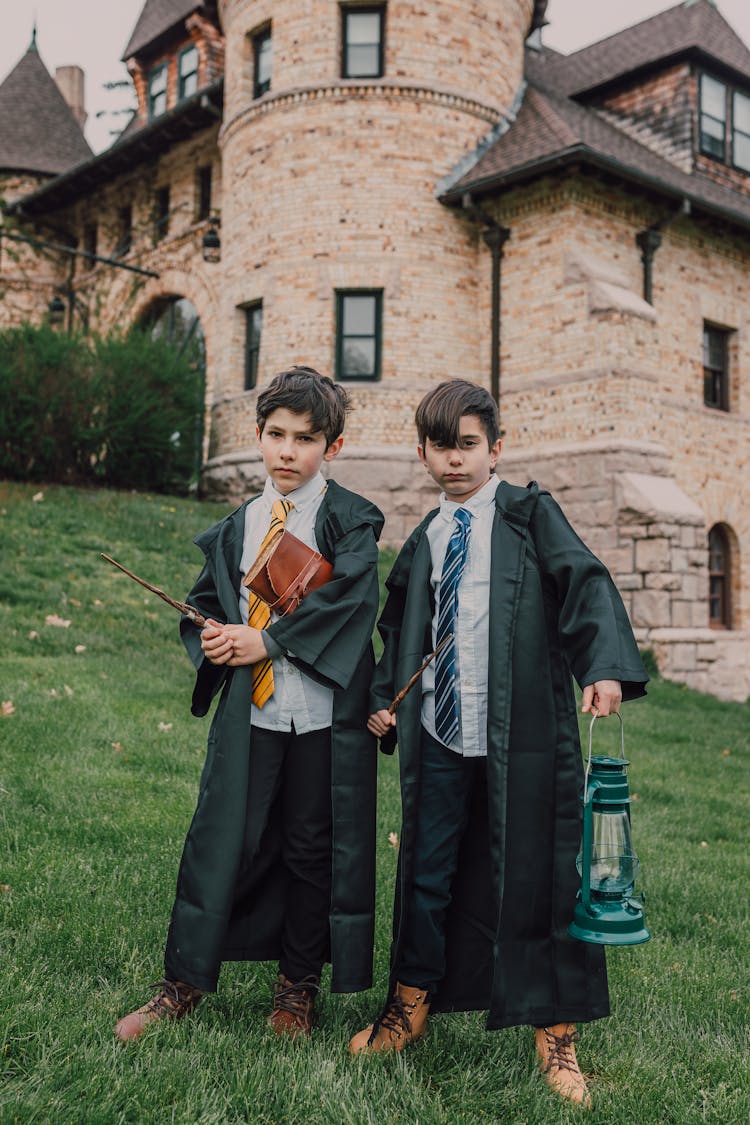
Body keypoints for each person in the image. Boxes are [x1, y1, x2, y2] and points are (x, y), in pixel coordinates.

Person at [349, 380, 648, 1107]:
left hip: (526, 732)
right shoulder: (426, 537)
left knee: (546, 875)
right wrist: (385, 698)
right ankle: (410, 1004)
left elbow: (584, 583)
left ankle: (556, 1033)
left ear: (496, 448)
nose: (455, 460)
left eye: (469, 445)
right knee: (426, 866)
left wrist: (602, 665)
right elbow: (399, 629)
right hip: (443, 732)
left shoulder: (528, 513)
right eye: (441, 447)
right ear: (422, 451)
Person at [115, 366, 384, 1042]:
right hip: (255, 717)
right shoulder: (239, 527)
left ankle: (297, 986)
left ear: (335, 446)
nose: (289, 451)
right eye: (277, 435)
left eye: (306, 438)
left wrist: (266, 639)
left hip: (323, 720)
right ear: (257, 436)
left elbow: (349, 599)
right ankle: (181, 983)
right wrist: (209, 635)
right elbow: (209, 602)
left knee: (309, 847)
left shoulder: (350, 520)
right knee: (219, 840)